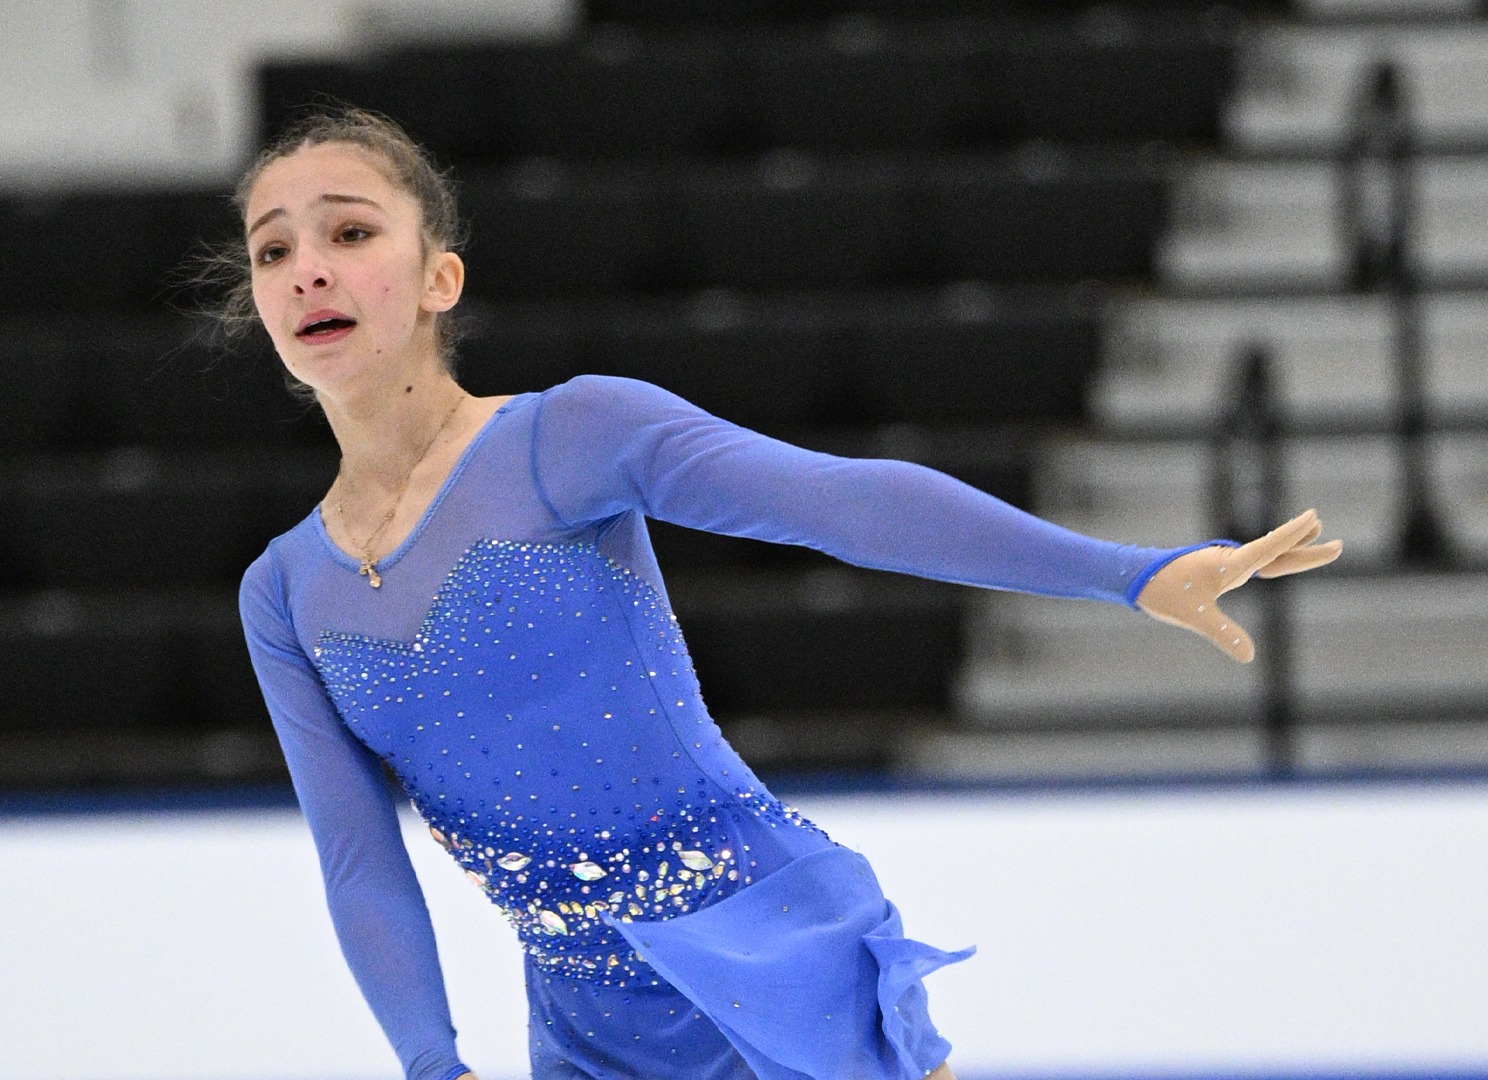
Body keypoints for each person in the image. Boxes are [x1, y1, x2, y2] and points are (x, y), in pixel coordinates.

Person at [223, 108, 1341, 1080]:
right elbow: (357, 854)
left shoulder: (570, 436)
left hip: (768, 939)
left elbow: (842, 504)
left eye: (351, 232)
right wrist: (432, 1061)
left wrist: (1130, 574)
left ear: (439, 280)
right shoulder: (283, 592)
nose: (307, 269)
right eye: (274, 253)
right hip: (587, 1021)